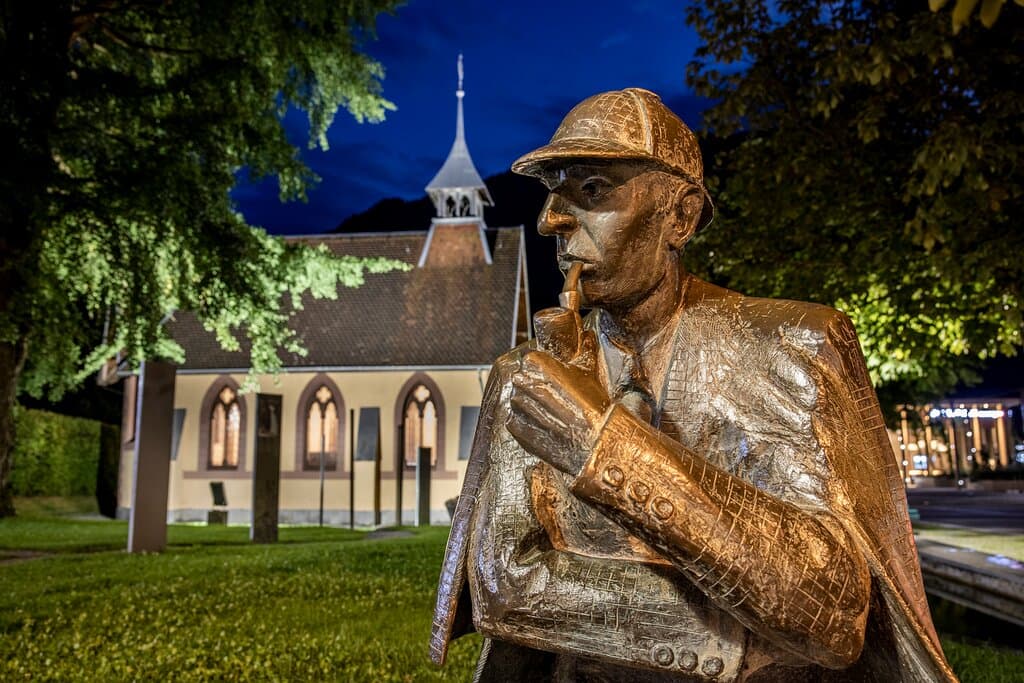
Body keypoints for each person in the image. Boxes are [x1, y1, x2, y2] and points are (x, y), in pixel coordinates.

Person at [431, 88, 956, 682]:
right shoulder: (526, 375)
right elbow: (507, 586)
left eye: (593, 190)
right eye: (552, 193)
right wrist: (742, 630)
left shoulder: (792, 346)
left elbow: (831, 607)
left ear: (677, 217)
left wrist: (609, 454)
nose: (550, 220)